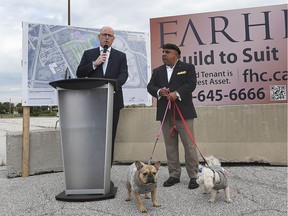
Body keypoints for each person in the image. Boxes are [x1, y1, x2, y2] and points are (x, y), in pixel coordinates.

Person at [147, 43, 199, 189]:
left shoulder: (187, 68)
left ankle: (194, 176)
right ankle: (174, 174)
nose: (164, 54)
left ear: (176, 54)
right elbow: (150, 87)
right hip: (165, 113)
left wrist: (177, 94)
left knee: (189, 145)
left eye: (167, 52)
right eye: (163, 51)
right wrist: (159, 92)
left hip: (183, 113)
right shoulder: (157, 71)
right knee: (170, 146)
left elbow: (191, 84)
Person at [76, 26, 128, 166]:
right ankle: (93, 166)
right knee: (93, 135)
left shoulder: (120, 56)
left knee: (110, 136)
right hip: (94, 101)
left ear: (113, 39)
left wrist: (112, 86)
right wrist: (95, 63)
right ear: (98, 37)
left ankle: (106, 169)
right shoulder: (89, 54)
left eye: (110, 35)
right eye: (104, 35)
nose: (107, 38)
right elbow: (80, 72)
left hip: (114, 101)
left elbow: (124, 75)